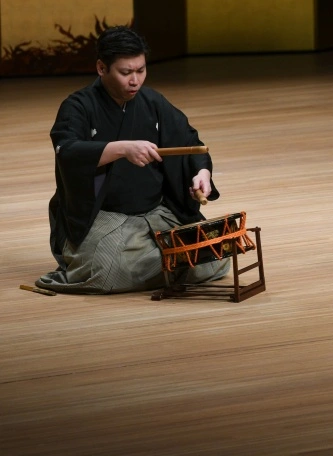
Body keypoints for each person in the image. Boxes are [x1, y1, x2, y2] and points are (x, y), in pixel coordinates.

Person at [38, 26, 228, 293]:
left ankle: (152, 261)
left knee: (217, 258)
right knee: (106, 272)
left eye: (141, 70)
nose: (135, 80)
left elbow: (189, 143)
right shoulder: (78, 106)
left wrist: (201, 174)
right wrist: (121, 148)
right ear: (102, 68)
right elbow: (68, 151)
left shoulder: (152, 101)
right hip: (106, 216)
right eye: (126, 72)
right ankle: (170, 262)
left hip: (158, 211)